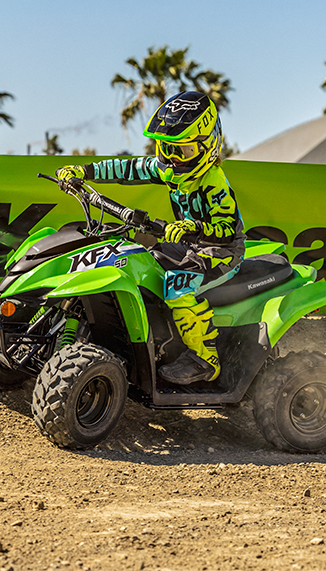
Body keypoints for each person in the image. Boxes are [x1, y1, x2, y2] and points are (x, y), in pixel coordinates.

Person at [55, 91, 245, 385]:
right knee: (140, 266)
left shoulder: (214, 183)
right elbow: (128, 168)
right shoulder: (168, 167)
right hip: (187, 244)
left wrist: (193, 228)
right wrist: (85, 171)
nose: (170, 158)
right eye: (164, 147)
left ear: (208, 146)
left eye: (181, 151)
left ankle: (204, 359)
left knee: (176, 286)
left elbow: (227, 228)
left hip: (220, 251)